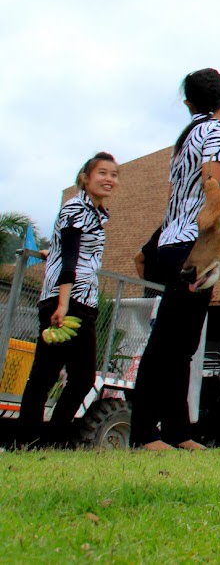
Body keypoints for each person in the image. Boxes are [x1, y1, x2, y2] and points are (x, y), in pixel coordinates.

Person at [131, 68, 220, 451]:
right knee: (169, 343)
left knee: (180, 344)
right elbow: (216, 180)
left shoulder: (185, 138)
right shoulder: (217, 131)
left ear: (188, 103)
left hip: (170, 244)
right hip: (193, 247)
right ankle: (144, 432)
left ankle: (177, 432)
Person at [13, 153, 119, 448]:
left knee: (81, 377)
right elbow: (71, 260)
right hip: (67, 302)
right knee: (46, 377)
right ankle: (29, 442)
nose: (109, 179)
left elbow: (66, 249)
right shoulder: (76, 209)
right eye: (102, 172)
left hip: (82, 300)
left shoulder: (96, 213)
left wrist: (51, 252)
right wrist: (62, 304)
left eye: (114, 174)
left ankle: (48, 440)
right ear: (85, 177)